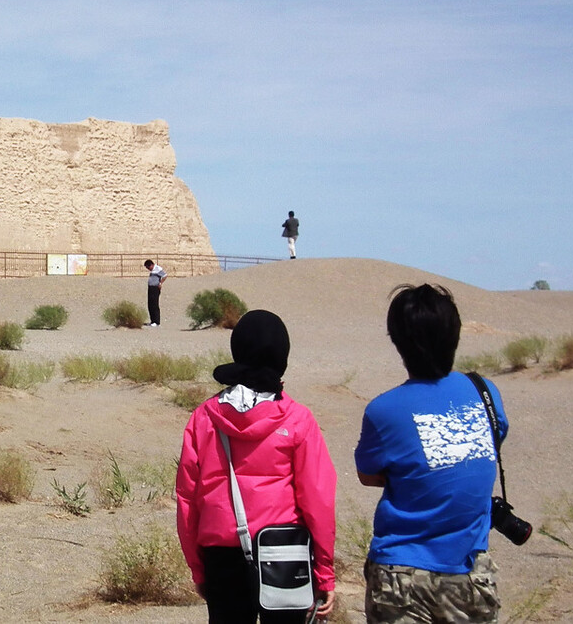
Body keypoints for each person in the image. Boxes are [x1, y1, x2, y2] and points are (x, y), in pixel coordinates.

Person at [355, 284, 506, 623]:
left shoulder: (384, 410)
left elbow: (369, 474)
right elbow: (492, 446)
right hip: (471, 575)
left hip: (403, 577)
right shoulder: (484, 393)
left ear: (397, 341)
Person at [177, 309, 336, 623]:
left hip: (220, 555)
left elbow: (187, 499)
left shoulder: (204, 417)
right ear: (282, 357)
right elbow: (318, 499)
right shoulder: (298, 419)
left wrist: (198, 568)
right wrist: (325, 572)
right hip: (285, 551)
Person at [143, 259, 167, 326]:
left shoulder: (158, 269)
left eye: (148, 267)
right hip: (150, 288)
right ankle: (152, 320)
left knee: (155, 304)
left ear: (151, 265)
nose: (148, 269)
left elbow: (165, 275)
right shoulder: (153, 270)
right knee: (150, 304)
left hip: (155, 288)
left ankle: (156, 322)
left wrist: (160, 283)